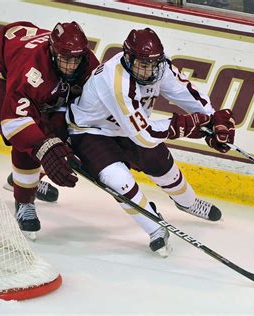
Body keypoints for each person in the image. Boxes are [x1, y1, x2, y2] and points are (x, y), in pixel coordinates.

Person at [67, 27, 235, 257]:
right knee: (117, 180)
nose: (148, 70)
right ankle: (155, 227)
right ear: (128, 57)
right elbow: (144, 136)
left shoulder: (159, 66)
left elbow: (188, 95)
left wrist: (213, 121)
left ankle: (187, 202)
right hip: (91, 132)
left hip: (128, 128)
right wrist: (184, 125)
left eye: (153, 64)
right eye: (143, 64)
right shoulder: (115, 80)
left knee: (163, 167)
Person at [0, 21, 99, 238]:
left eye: (76, 59)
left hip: (27, 65)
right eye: (65, 59)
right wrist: (43, 146)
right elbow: (16, 122)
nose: (71, 66)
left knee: (60, 138)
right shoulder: (32, 69)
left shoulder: (87, 63)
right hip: (0, 78)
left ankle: (24, 180)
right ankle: (24, 203)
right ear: (52, 51)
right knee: (32, 142)